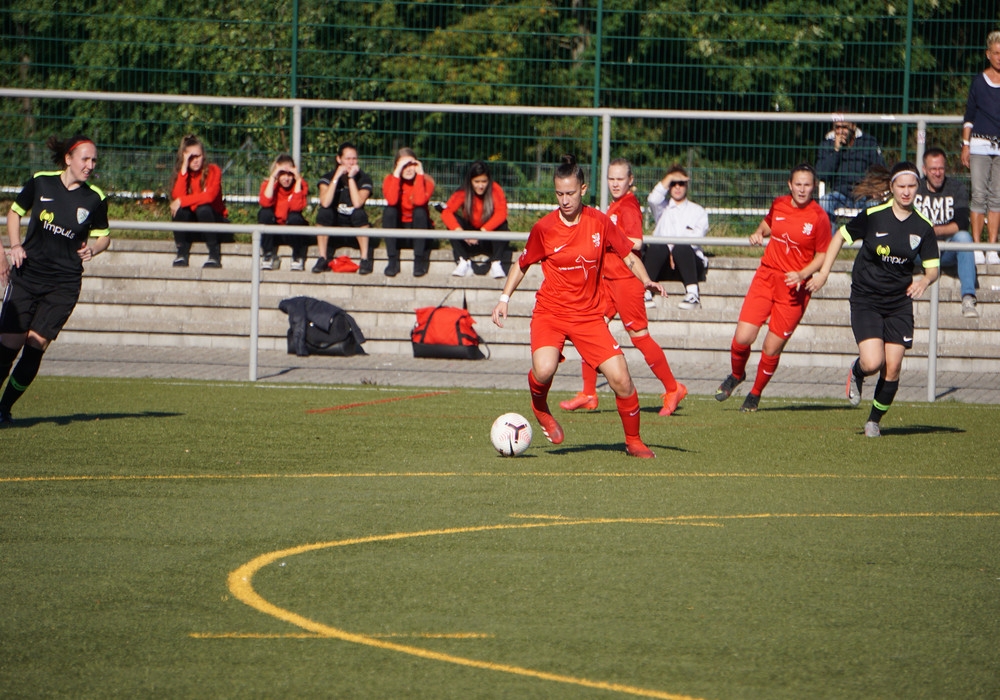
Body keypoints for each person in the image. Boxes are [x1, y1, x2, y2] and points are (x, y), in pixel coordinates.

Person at [491, 155, 666, 459]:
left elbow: (628, 255)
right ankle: (539, 406)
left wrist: (646, 280)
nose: (565, 200)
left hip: (588, 316)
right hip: (551, 313)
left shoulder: (599, 222)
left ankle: (634, 441)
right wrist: (504, 299)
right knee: (544, 370)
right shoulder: (545, 228)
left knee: (622, 379)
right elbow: (522, 264)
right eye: (559, 194)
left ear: (583, 189)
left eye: (570, 193)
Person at [808, 162, 939, 438]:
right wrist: (823, 273)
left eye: (911, 186)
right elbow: (839, 237)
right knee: (872, 363)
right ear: (892, 187)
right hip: (866, 297)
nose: (906, 192)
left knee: (893, 367)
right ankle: (857, 372)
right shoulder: (874, 215)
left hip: (899, 302)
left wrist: (924, 281)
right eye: (901, 186)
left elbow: (932, 269)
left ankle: (873, 421)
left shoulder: (923, 226)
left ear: (918, 187)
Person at [560, 158, 687, 417]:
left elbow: (636, 242)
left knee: (639, 337)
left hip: (625, 281)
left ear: (631, 180)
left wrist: (605, 239)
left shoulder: (628, 206)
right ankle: (588, 393)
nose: (615, 183)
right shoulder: (615, 205)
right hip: (607, 281)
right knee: (589, 329)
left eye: (620, 179)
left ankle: (673, 388)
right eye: (611, 178)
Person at [0, 135, 111, 426]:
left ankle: (4, 408)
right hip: (27, 274)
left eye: (94, 160)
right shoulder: (41, 182)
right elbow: (14, 213)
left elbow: (104, 236)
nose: (90, 165)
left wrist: (94, 249)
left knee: (35, 345)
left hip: (63, 284)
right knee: (9, 344)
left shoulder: (95, 198)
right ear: (68, 159)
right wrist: (15, 245)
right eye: (85, 159)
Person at [715, 164, 831, 412]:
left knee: (771, 347)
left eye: (807, 185)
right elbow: (768, 224)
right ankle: (737, 375)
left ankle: (755, 394)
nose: (802, 189)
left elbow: (823, 254)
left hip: (794, 287)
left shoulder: (819, 217)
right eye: (798, 184)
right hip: (766, 277)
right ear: (790, 185)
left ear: (814, 187)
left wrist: (803, 273)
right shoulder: (779, 203)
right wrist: (759, 233)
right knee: (743, 338)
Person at [914, 147, 979, 318]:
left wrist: (934, 231)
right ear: (924, 170)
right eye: (933, 169)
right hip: (920, 251)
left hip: (947, 250)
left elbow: (962, 223)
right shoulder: (915, 188)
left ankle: (968, 296)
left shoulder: (956, 188)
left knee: (964, 237)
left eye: (941, 169)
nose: (937, 173)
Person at [643, 166, 709, 310]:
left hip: (689, 263)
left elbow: (697, 237)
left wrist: (674, 250)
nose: (677, 187)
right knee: (657, 246)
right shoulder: (662, 208)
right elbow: (653, 199)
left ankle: (693, 294)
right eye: (673, 183)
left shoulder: (698, 211)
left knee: (682, 247)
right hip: (664, 262)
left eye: (681, 183)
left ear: (687, 185)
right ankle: (645, 292)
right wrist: (669, 177)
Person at [961, 31, 1000, 266]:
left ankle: (992, 247)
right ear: (988, 54)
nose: (999, 57)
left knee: (997, 197)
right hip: (979, 145)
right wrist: (965, 145)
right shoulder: (978, 82)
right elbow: (969, 117)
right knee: (978, 195)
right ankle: (976, 246)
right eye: (996, 53)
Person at [440, 160, 511, 279]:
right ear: (470, 181)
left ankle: (496, 262)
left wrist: (481, 232)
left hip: (488, 237)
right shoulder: (463, 190)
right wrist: (461, 232)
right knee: (453, 223)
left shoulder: (495, 189)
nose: (480, 186)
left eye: (484, 181)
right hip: (468, 237)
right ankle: (464, 261)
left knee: (503, 225)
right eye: (476, 182)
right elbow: (446, 212)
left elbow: (501, 213)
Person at [313, 142, 375, 274]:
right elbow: (325, 202)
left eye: (354, 159)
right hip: (334, 225)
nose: (351, 163)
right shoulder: (328, 178)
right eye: (347, 159)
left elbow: (357, 203)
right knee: (324, 212)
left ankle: (364, 259)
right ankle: (322, 257)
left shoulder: (364, 179)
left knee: (359, 213)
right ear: (339, 159)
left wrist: (351, 178)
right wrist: (336, 178)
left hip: (354, 225)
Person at [815, 113, 885, 228]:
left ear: (853, 126)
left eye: (844, 127)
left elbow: (880, 169)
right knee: (825, 201)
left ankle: (867, 239)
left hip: (864, 194)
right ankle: (830, 238)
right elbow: (822, 174)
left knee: (875, 205)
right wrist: (836, 150)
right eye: (837, 127)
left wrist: (875, 188)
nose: (840, 131)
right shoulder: (827, 144)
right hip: (839, 194)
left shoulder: (868, 143)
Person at [170, 134, 228, 268]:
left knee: (203, 209)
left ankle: (214, 255)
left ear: (203, 156)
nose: (195, 160)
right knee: (181, 212)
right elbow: (177, 197)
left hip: (214, 221)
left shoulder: (213, 170)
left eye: (198, 156)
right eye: (191, 157)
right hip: (194, 224)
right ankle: (181, 253)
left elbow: (209, 197)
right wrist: (184, 169)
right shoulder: (183, 174)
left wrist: (183, 200)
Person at [381, 147, 435, 277]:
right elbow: (392, 201)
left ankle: (419, 262)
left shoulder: (427, 181)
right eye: (404, 166)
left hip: (420, 232)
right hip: (400, 231)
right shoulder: (390, 180)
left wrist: (420, 175)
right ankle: (392, 261)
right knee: (389, 211)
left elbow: (419, 201)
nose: (409, 169)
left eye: (412, 164)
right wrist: (396, 174)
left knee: (420, 212)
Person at [258, 154, 309, 270]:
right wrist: (273, 177)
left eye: (289, 174)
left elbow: (296, 207)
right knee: (265, 213)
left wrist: (298, 180)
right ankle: (268, 255)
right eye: (282, 174)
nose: (286, 178)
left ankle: (297, 256)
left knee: (295, 217)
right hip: (274, 230)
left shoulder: (300, 185)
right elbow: (265, 202)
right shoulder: (268, 185)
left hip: (291, 231)